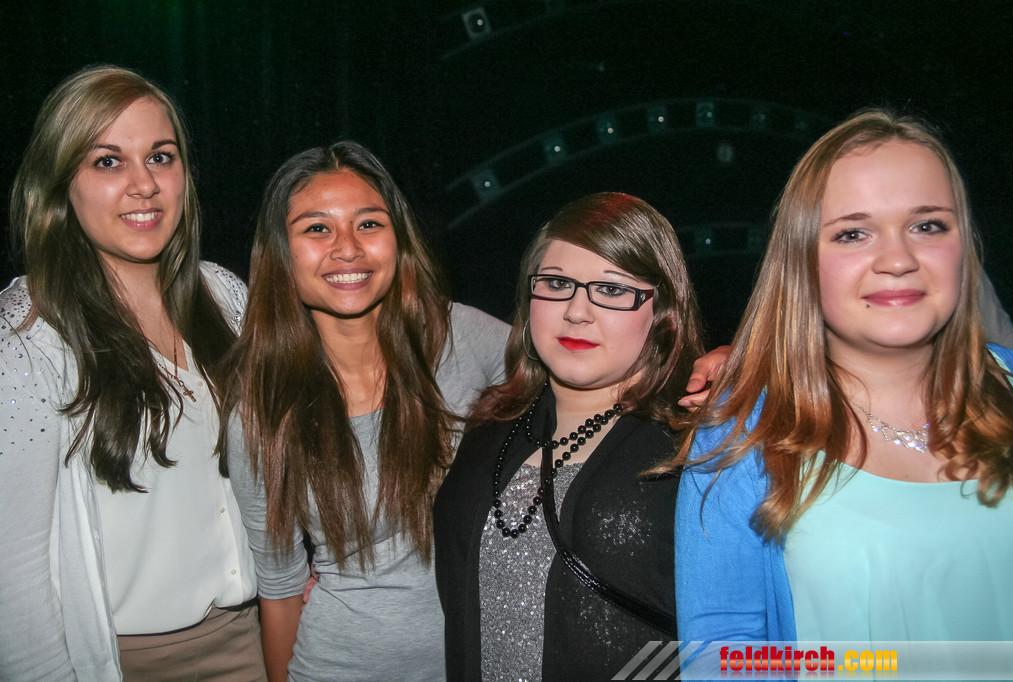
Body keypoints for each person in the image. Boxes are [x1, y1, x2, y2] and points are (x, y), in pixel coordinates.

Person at [670, 110, 1013, 652]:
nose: (898, 259)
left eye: (927, 225)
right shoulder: (740, 437)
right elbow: (724, 652)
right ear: (802, 262)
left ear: (964, 245)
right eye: (853, 233)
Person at [0, 66, 262, 680]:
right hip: (123, 663)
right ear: (61, 184)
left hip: (253, 642)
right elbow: (13, 573)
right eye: (108, 162)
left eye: (161, 157)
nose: (144, 184)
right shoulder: (26, 338)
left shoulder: (224, 296)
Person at [221, 140, 509, 681]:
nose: (348, 248)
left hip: (479, 663)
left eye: (369, 224)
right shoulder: (263, 409)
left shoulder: (457, 336)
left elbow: (577, 375)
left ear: (398, 240)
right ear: (282, 255)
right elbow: (280, 590)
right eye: (317, 229)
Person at [434, 192, 705, 680]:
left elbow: (752, 640)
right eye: (557, 284)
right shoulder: (489, 427)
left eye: (613, 289)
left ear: (663, 312)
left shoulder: (696, 445)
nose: (577, 311)